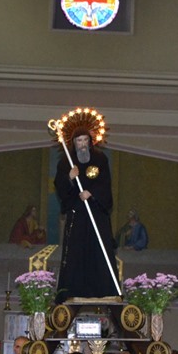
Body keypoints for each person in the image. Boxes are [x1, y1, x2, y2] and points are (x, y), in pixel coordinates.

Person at [53, 127, 118, 303]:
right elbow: (60, 187)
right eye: (78, 141)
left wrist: (92, 193)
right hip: (77, 214)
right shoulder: (66, 162)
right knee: (75, 251)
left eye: (85, 140)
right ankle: (72, 291)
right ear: (73, 143)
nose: (82, 145)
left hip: (96, 213)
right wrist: (69, 178)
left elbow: (105, 183)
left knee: (101, 250)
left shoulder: (100, 159)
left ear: (90, 141)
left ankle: (106, 289)